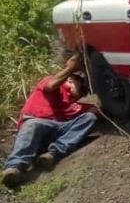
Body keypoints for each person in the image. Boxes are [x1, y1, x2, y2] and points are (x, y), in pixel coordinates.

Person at [2, 53, 98, 188]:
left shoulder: (76, 106)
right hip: (37, 124)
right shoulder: (52, 83)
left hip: (57, 132)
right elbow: (50, 85)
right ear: (70, 80)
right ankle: (15, 167)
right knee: (32, 125)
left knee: (90, 118)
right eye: (82, 88)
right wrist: (71, 68)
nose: (83, 93)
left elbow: (95, 111)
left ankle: (53, 153)